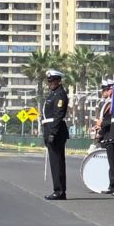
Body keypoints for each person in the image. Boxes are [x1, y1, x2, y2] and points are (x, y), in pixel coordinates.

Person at [42, 69, 70, 200]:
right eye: (49, 81)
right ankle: (59, 190)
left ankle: (59, 191)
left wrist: (53, 133)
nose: (50, 83)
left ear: (59, 81)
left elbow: (58, 115)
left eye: (53, 81)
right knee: (55, 163)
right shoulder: (53, 94)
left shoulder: (60, 94)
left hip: (56, 132)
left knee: (57, 163)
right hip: (50, 129)